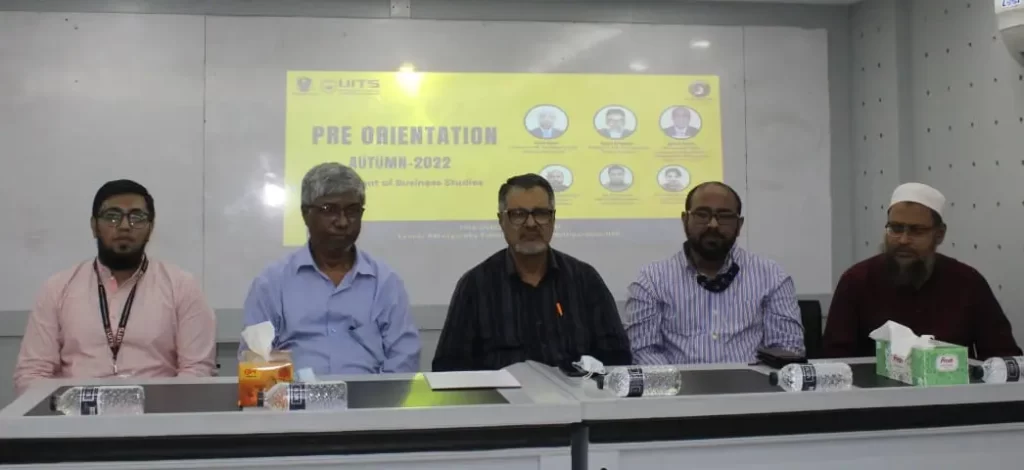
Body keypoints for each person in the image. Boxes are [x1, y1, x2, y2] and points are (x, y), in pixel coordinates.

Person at [14, 180, 216, 395]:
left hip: (156, 410)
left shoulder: (182, 286)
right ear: (94, 226)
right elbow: (32, 373)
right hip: (76, 412)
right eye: (112, 216)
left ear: (150, 228)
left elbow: (197, 370)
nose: (124, 226)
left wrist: (159, 409)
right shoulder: (58, 288)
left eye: (137, 217)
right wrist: (67, 407)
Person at [433, 174, 631, 371]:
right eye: (518, 214)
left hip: (575, 391)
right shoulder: (475, 285)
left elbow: (617, 359)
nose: (530, 224)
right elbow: (448, 368)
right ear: (501, 221)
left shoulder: (584, 280)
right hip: (503, 392)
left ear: (553, 219)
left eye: (541, 213)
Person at [241, 163, 421, 374]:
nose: (343, 222)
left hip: (368, 394)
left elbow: (404, 358)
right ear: (305, 214)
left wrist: (379, 394)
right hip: (294, 394)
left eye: (352, 210)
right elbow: (255, 360)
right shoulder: (271, 284)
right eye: (330, 210)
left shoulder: (385, 283)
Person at [823, 183, 1021, 359]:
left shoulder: (968, 283)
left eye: (917, 231)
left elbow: (1004, 358)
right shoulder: (856, 281)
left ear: (939, 234)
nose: (903, 240)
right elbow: (834, 361)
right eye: (896, 228)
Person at [625, 182, 804, 364]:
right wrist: (680, 382)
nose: (713, 225)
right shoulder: (651, 281)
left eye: (724, 216)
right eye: (702, 214)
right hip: (677, 382)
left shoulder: (771, 277)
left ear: (739, 225)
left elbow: (787, 348)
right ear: (685, 220)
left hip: (752, 381)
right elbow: (643, 351)